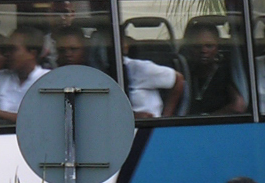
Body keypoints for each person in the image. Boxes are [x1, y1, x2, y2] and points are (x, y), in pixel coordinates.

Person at [51, 26, 182, 119]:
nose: (68, 55)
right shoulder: (61, 78)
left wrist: (165, 118)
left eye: (73, 49)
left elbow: (178, 80)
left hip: (146, 134)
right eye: (62, 50)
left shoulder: (136, 68)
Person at [183, 19, 248, 115]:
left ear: (218, 47)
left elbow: (238, 106)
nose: (203, 50)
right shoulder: (184, 71)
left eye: (209, 46)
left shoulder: (226, 73)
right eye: (197, 46)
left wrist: (209, 118)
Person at [0, 28, 47, 124]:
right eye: (6, 49)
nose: (7, 54)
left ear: (32, 53)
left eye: (12, 49)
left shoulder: (49, 80)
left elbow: (39, 121)